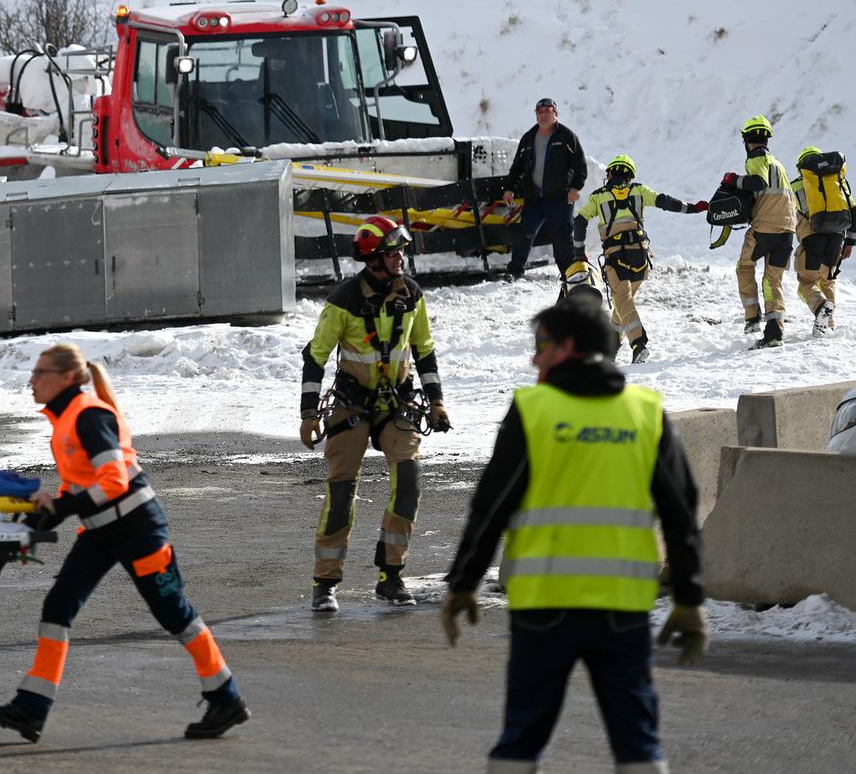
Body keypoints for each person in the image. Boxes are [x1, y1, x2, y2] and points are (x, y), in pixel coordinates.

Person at [443, 296, 707, 774]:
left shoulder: (534, 409)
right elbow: (681, 514)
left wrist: (463, 584)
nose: (533, 357)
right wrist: (690, 599)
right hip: (622, 609)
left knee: (521, 737)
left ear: (567, 347)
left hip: (545, 606)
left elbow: (491, 507)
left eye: (540, 345)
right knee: (637, 740)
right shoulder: (644, 412)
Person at [0, 343, 249, 743]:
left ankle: (226, 698)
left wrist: (64, 505)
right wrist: (44, 513)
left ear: (67, 378)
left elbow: (114, 480)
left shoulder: (90, 416)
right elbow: (79, 483)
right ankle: (31, 708)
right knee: (58, 606)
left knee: (173, 611)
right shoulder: (66, 419)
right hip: (101, 530)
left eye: (40, 373)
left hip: (138, 527)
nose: (31, 381)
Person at [300, 215, 450, 612]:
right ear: (374, 258)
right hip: (351, 407)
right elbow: (315, 357)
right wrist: (308, 413)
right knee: (342, 491)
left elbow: (424, 351)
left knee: (409, 481)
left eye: (402, 251)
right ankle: (325, 582)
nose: (401, 257)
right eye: (394, 251)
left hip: (397, 406)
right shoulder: (343, 302)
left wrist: (436, 402)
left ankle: (391, 576)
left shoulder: (413, 296)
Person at [570, 154, 707, 364]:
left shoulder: (599, 196)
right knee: (623, 302)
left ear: (610, 173)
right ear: (630, 175)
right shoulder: (640, 191)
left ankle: (639, 344)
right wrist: (693, 208)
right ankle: (611, 347)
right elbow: (666, 201)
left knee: (622, 301)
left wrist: (579, 252)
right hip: (640, 259)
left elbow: (580, 222)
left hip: (615, 257)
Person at [501, 97, 588, 280]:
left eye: (548, 111)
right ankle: (515, 271)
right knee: (524, 234)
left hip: (560, 198)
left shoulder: (567, 137)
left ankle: (569, 275)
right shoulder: (528, 138)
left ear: (555, 114)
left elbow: (580, 166)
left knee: (562, 238)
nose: (543, 116)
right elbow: (517, 167)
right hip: (534, 197)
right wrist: (509, 188)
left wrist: (575, 188)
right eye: (540, 112)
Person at [736, 115, 797, 347]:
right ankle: (774, 330)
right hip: (787, 229)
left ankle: (752, 316)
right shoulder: (778, 164)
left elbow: (757, 183)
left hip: (765, 229)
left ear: (747, 139)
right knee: (773, 280)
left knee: (744, 266)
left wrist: (734, 180)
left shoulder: (755, 158)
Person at [791, 145, 854, 337]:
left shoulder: (795, 186)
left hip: (811, 240)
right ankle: (829, 325)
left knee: (806, 282)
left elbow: (785, 213)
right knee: (828, 281)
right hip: (836, 238)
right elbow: (854, 211)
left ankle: (820, 307)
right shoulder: (836, 183)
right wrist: (850, 242)